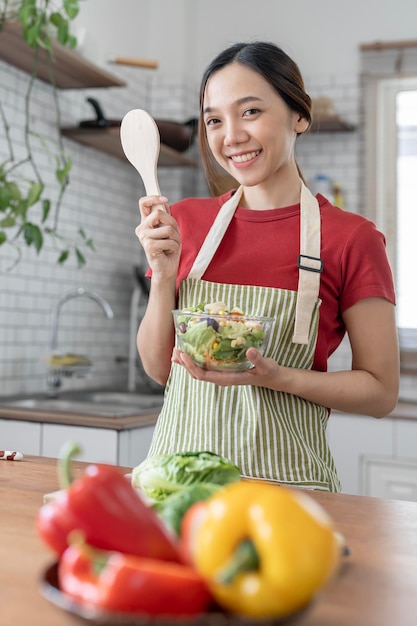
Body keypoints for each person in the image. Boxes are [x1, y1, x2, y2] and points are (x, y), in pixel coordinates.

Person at [135, 41, 399, 492]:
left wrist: (278, 377)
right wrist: (163, 275)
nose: (230, 136)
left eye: (250, 112)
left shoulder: (352, 238)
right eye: (214, 119)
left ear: (300, 116)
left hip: (288, 491)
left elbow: (380, 391)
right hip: (177, 487)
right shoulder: (186, 223)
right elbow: (161, 369)